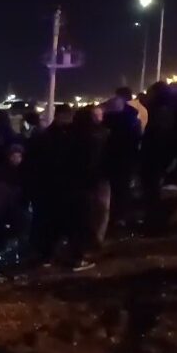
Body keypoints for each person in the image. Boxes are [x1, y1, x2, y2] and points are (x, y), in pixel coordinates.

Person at [25, 104, 93, 271]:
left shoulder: (44, 137)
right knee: (74, 225)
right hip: (69, 189)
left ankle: (46, 257)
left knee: (50, 225)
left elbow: (32, 164)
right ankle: (76, 259)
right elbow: (83, 164)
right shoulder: (75, 137)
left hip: (49, 189)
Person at [140, 81, 177, 234]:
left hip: (156, 158)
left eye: (150, 92)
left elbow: (158, 137)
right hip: (160, 157)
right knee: (155, 192)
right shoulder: (167, 109)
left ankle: (155, 225)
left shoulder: (160, 112)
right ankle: (156, 223)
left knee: (154, 192)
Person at [104, 90, 143, 230]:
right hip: (127, 158)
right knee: (123, 189)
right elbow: (137, 138)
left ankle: (114, 218)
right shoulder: (134, 117)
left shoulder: (110, 119)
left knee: (114, 189)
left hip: (114, 159)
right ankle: (121, 218)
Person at [74, 105, 111, 250]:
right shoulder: (101, 134)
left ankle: (94, 239)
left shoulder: (103, 133)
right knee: (96, 209)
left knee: (98, 209)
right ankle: (94, 239)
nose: (99, 117)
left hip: (96, 176)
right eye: (96, 115)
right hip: (92, 176)